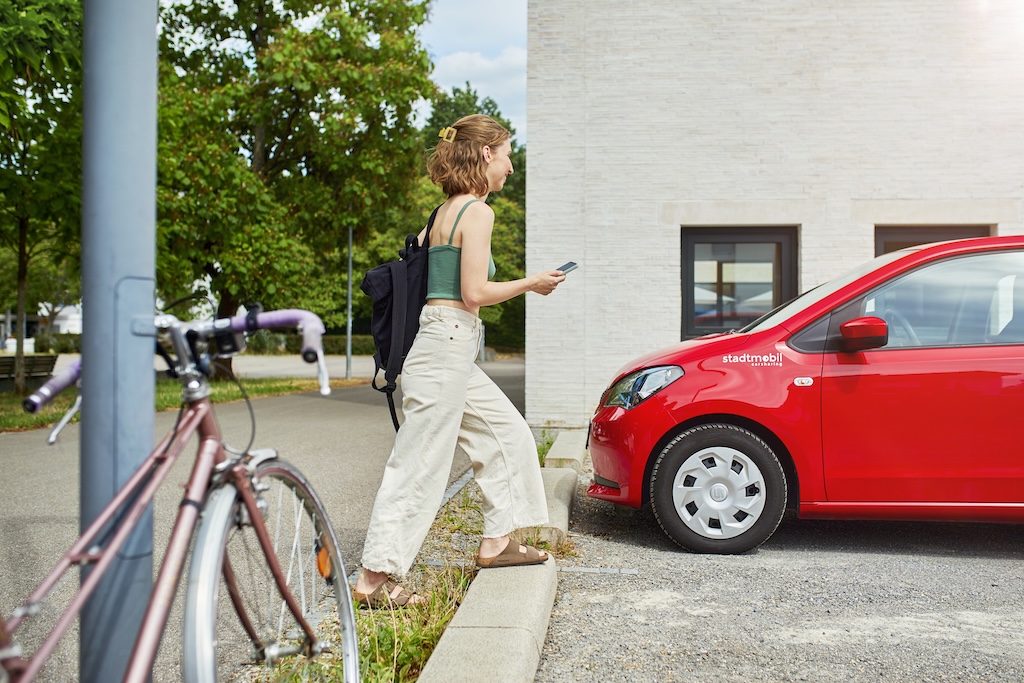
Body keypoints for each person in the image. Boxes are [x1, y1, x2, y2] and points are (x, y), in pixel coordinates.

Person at [353, 114, 566, 608]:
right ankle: (374, 579)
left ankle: (496, 542)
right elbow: (473, 293)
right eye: (509, 154)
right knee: (420, 462)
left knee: (506, 433)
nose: (512, 167)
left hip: (445, 347)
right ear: (487, 154)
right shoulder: (476, 212)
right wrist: (531, 283)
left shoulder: (442, 212)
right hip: (446, 344)